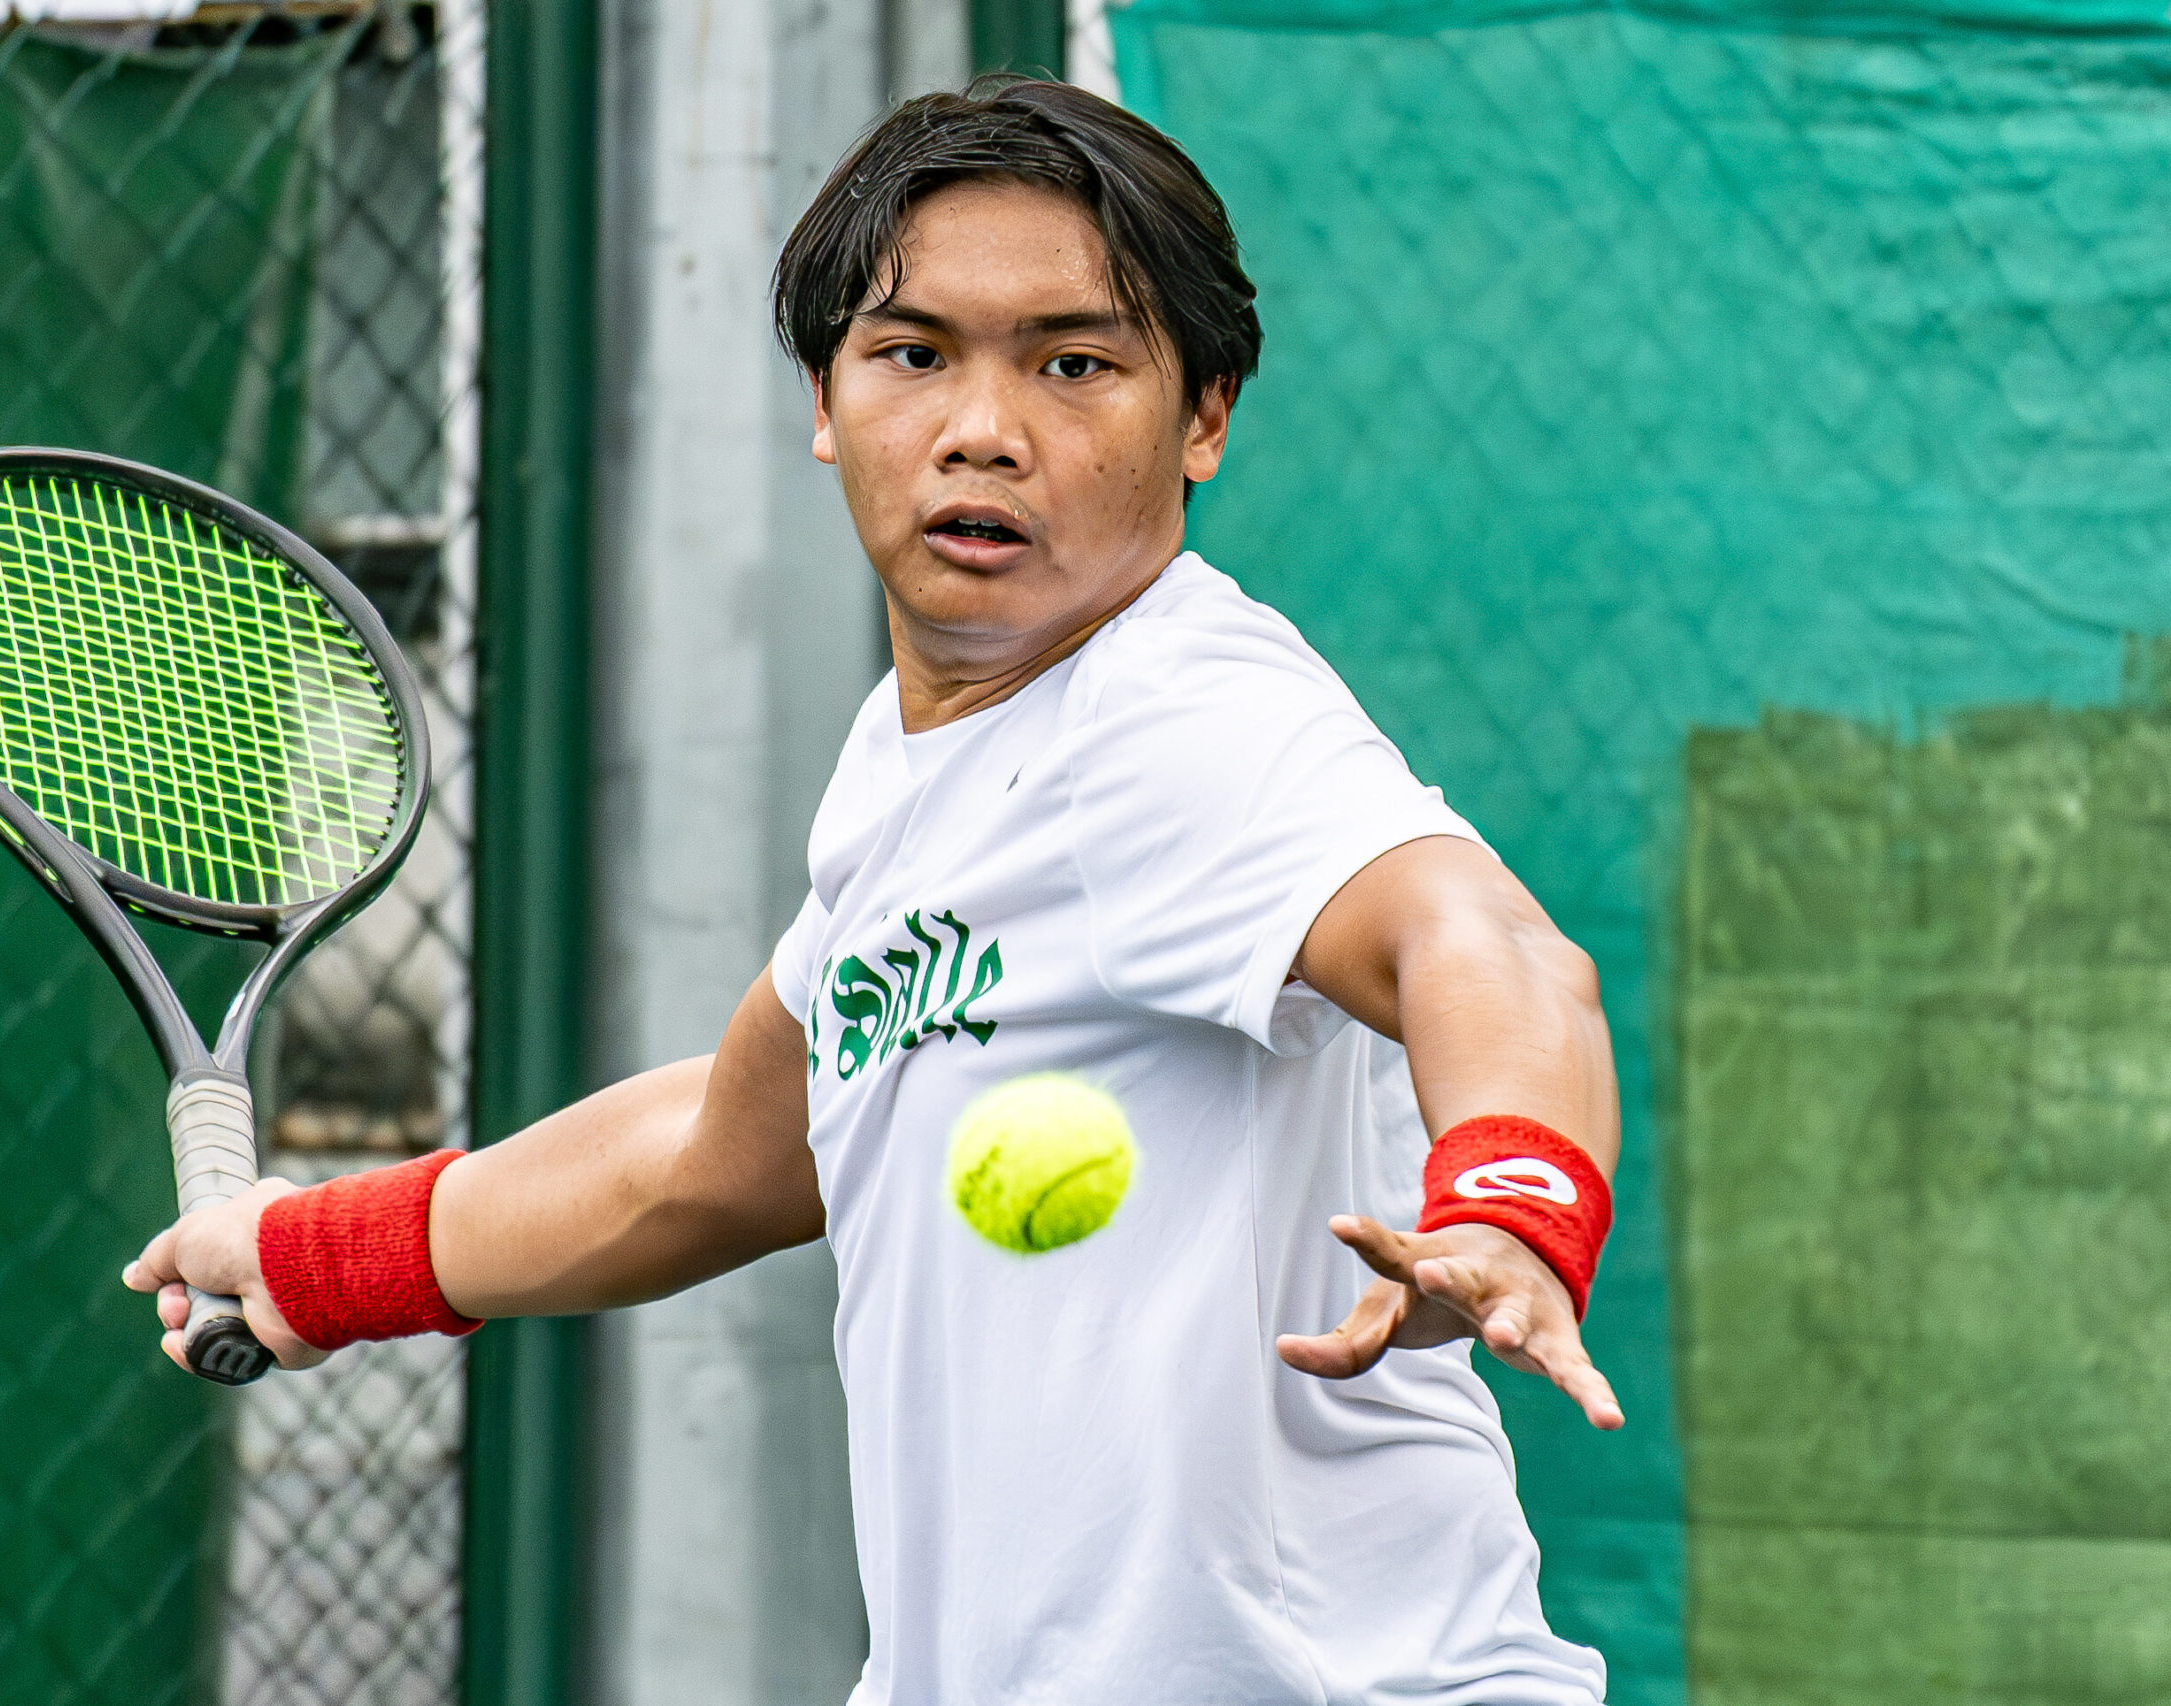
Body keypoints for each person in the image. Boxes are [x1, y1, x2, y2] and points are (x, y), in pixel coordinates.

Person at [129, 77, 1623, 1705]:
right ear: (831, 400)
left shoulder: (1182, 721)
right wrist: (322, 1257)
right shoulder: (916, 769)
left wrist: (1514, 1205)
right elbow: (730, 1147)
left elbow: (1484, 946)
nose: (983, 425)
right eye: (914, 354)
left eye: (1073, 361)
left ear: (1204, 413)